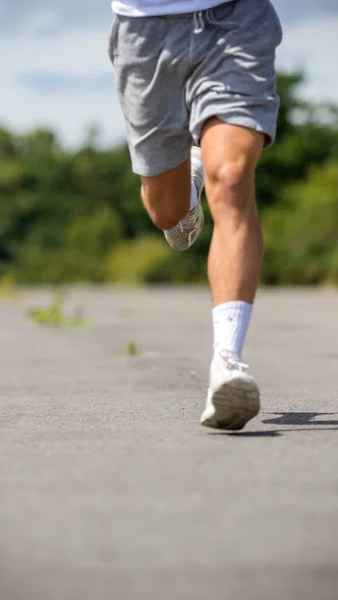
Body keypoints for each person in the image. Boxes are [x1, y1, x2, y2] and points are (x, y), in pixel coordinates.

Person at [108, 0, 283, 430]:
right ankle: (189, 176)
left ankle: (228, 361)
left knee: (232, 176)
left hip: (235, 17)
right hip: (144, 31)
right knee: (168, 215)